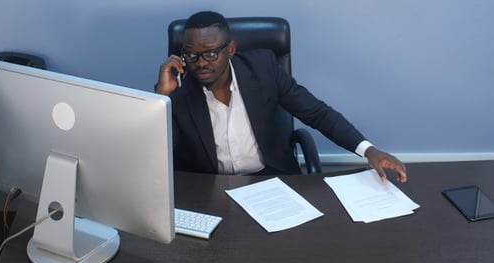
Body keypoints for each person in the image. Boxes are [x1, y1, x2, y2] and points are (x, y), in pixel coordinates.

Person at [156, 11, 407, 182]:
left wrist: (369, 150)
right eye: (191, 55)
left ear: (230, 49)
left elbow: (317, 113)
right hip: (209, 187)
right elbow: (156, 154)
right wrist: (163, 98)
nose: (200, 63)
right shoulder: (178, 88)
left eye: (210, 54)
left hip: (268, 180)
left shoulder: (264, 68)